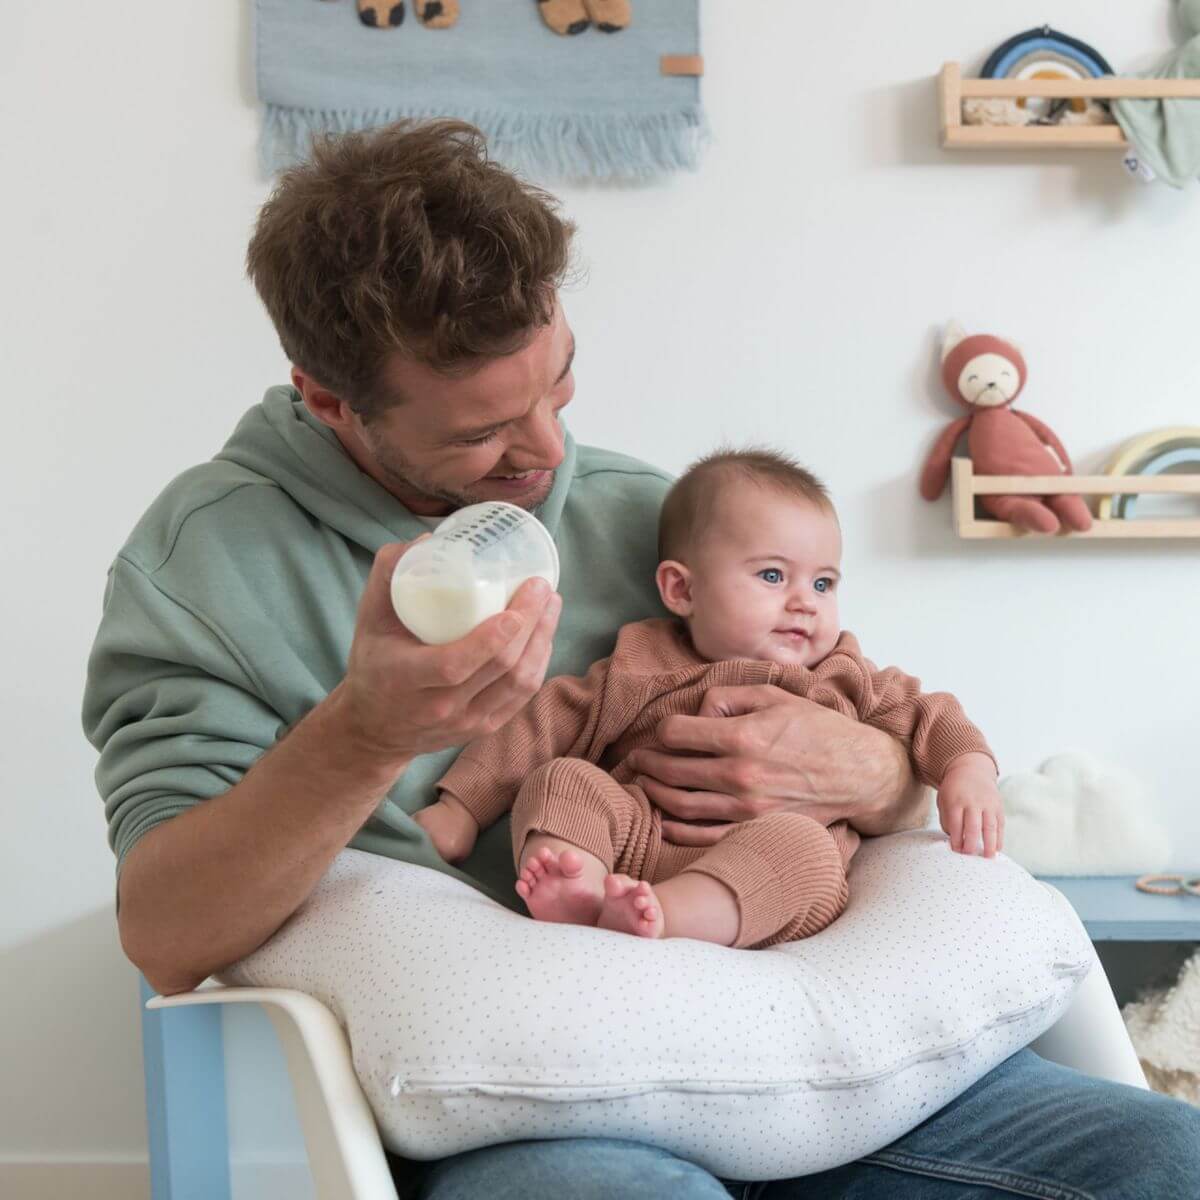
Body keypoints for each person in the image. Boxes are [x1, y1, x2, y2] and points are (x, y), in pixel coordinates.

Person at [82, 120, 1200, 1198]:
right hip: (515, 1103)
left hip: (783, 1031)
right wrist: (368, 734)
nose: (547, 453)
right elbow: (169, 935)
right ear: (328, 398)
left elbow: (885, 717)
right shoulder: (204, 568)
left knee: (1170, 1161)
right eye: (481, 434)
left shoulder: (653, 519)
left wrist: (866, 770)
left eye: (558, 386)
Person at [416, 449, 1002, 947]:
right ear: (682, 589)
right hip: (636, 832)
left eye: (823, 583)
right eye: (773, 576)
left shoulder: (843, 673)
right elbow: (542, 722)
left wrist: (968, 769)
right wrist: (461, 808)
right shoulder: (641, 660)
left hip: (756, 861)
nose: (805, 601)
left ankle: (664, 916)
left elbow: (931, 716)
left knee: (807, 854)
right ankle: (581, 889)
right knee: (564, 779)